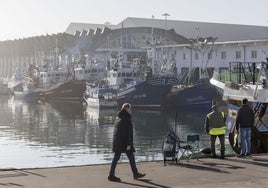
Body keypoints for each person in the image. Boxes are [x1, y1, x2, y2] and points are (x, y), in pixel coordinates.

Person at [108, 103, 145, 182]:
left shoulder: (119, 117)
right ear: (127, 109)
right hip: (123, 143)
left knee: (127, 157)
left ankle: (135, 173)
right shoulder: (126, 118)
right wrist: (128, 144)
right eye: (130, 109)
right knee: (120, 157)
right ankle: (111, 175)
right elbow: (126, 132)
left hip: (118, 141)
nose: (131, 111)